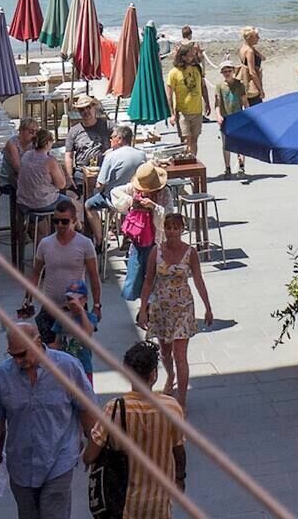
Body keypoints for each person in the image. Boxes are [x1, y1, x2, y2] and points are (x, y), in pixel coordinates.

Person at [0, 322, 92, 519]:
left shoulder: (67, 367)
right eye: (13, 355)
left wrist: (95, 448)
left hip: (59, 458)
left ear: (38, 342)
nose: (18, 361)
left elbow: (86, 409)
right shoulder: (2, 376)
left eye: (22, 354)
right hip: (21, 463)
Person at [82, 339, 184, 519]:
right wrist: (180, 479)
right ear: (154, 375)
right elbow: (178, 449)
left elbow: (90, 455)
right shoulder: (172, 408)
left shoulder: (114, 409)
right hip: (159, 503)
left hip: (124, 503)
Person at [136, 211, 214, 409]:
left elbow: (198, 280)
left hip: (183, 308)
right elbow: (147, 282)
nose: (172, 232)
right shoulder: (156, 251)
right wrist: (143, 308)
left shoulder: (190, 253)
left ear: (182, 229)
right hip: (161, 307)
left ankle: (181, 402)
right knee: (165, 351)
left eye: (176, 228)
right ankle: (170, 375)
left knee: (181, 356)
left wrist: (207, 307)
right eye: (169, 227)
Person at [24, 198, 101, 339]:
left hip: (75, 309)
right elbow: (36, 273)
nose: (60, 225)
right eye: (56, 221)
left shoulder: (85, 244)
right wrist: (27, 299)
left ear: (74, 220)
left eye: (64, 221)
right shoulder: (45, 244)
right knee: (49, 353)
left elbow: (94, 276)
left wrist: (96, 305)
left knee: (76, 352)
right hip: (50, 308)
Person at [15, 126, 74, 250]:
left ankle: (42, 238)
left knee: (48, 203)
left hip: (24, 201)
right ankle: (69, 238)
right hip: (40, 202)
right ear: (48, 143)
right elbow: (61, 184)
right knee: (68, 203)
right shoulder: (49, 161)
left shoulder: (26, 155)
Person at [117, 163, 168, 301]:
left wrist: (154, 207)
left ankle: (149, 307)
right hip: (138, 240)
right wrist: (131, 201)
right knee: (137, 274)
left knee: (154, 275)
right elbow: (115, 192)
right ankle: (144, 306)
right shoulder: (133, 189)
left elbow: (168, 216)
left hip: (156, 241)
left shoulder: (164, 192)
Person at [164, 44, 206, 162]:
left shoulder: (197, 69)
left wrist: (207, 101)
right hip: (182, 112)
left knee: (194, 140)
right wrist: (172, 114)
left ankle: (192, 163)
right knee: (186, 141)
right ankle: (187, 164)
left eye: (193, 54)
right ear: (182, 57)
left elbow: (203, 86)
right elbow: (169, 95)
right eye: (190, 55)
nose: (192, 57)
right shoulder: (174, 73)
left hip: (197, 110)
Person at [215, 63, 248, 177]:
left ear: (233, 71)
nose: (227, 73)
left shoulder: (239, 84)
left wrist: (248, 114)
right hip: (226, 118)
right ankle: (227, 167)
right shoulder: (220, 86)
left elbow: (244, 101)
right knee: (226, 144)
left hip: (238, 116)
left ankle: (241, 166)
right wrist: (218, 115)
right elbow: (217, 103)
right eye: (225, 71)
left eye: (229, 71)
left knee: (240, 142)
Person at [64, 97, 110, 177]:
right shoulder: (73, 131)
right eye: (82, 109)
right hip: (81, 173)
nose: (85, 111)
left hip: (104, 171)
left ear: (94, 108)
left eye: (88, 107)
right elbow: (68, 156)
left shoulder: (108, 126)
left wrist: (112, 150)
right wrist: (69, 176)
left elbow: (123, 140)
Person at [237, 27, 266, 106]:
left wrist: (256, 52)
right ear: (250, 38)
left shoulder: (244, 48)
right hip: (251, 83)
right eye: (256, 36)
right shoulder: (249, 51)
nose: (258, 38)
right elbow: (252, 72)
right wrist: (260, 89)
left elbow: (263, 58)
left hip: (244, 80)